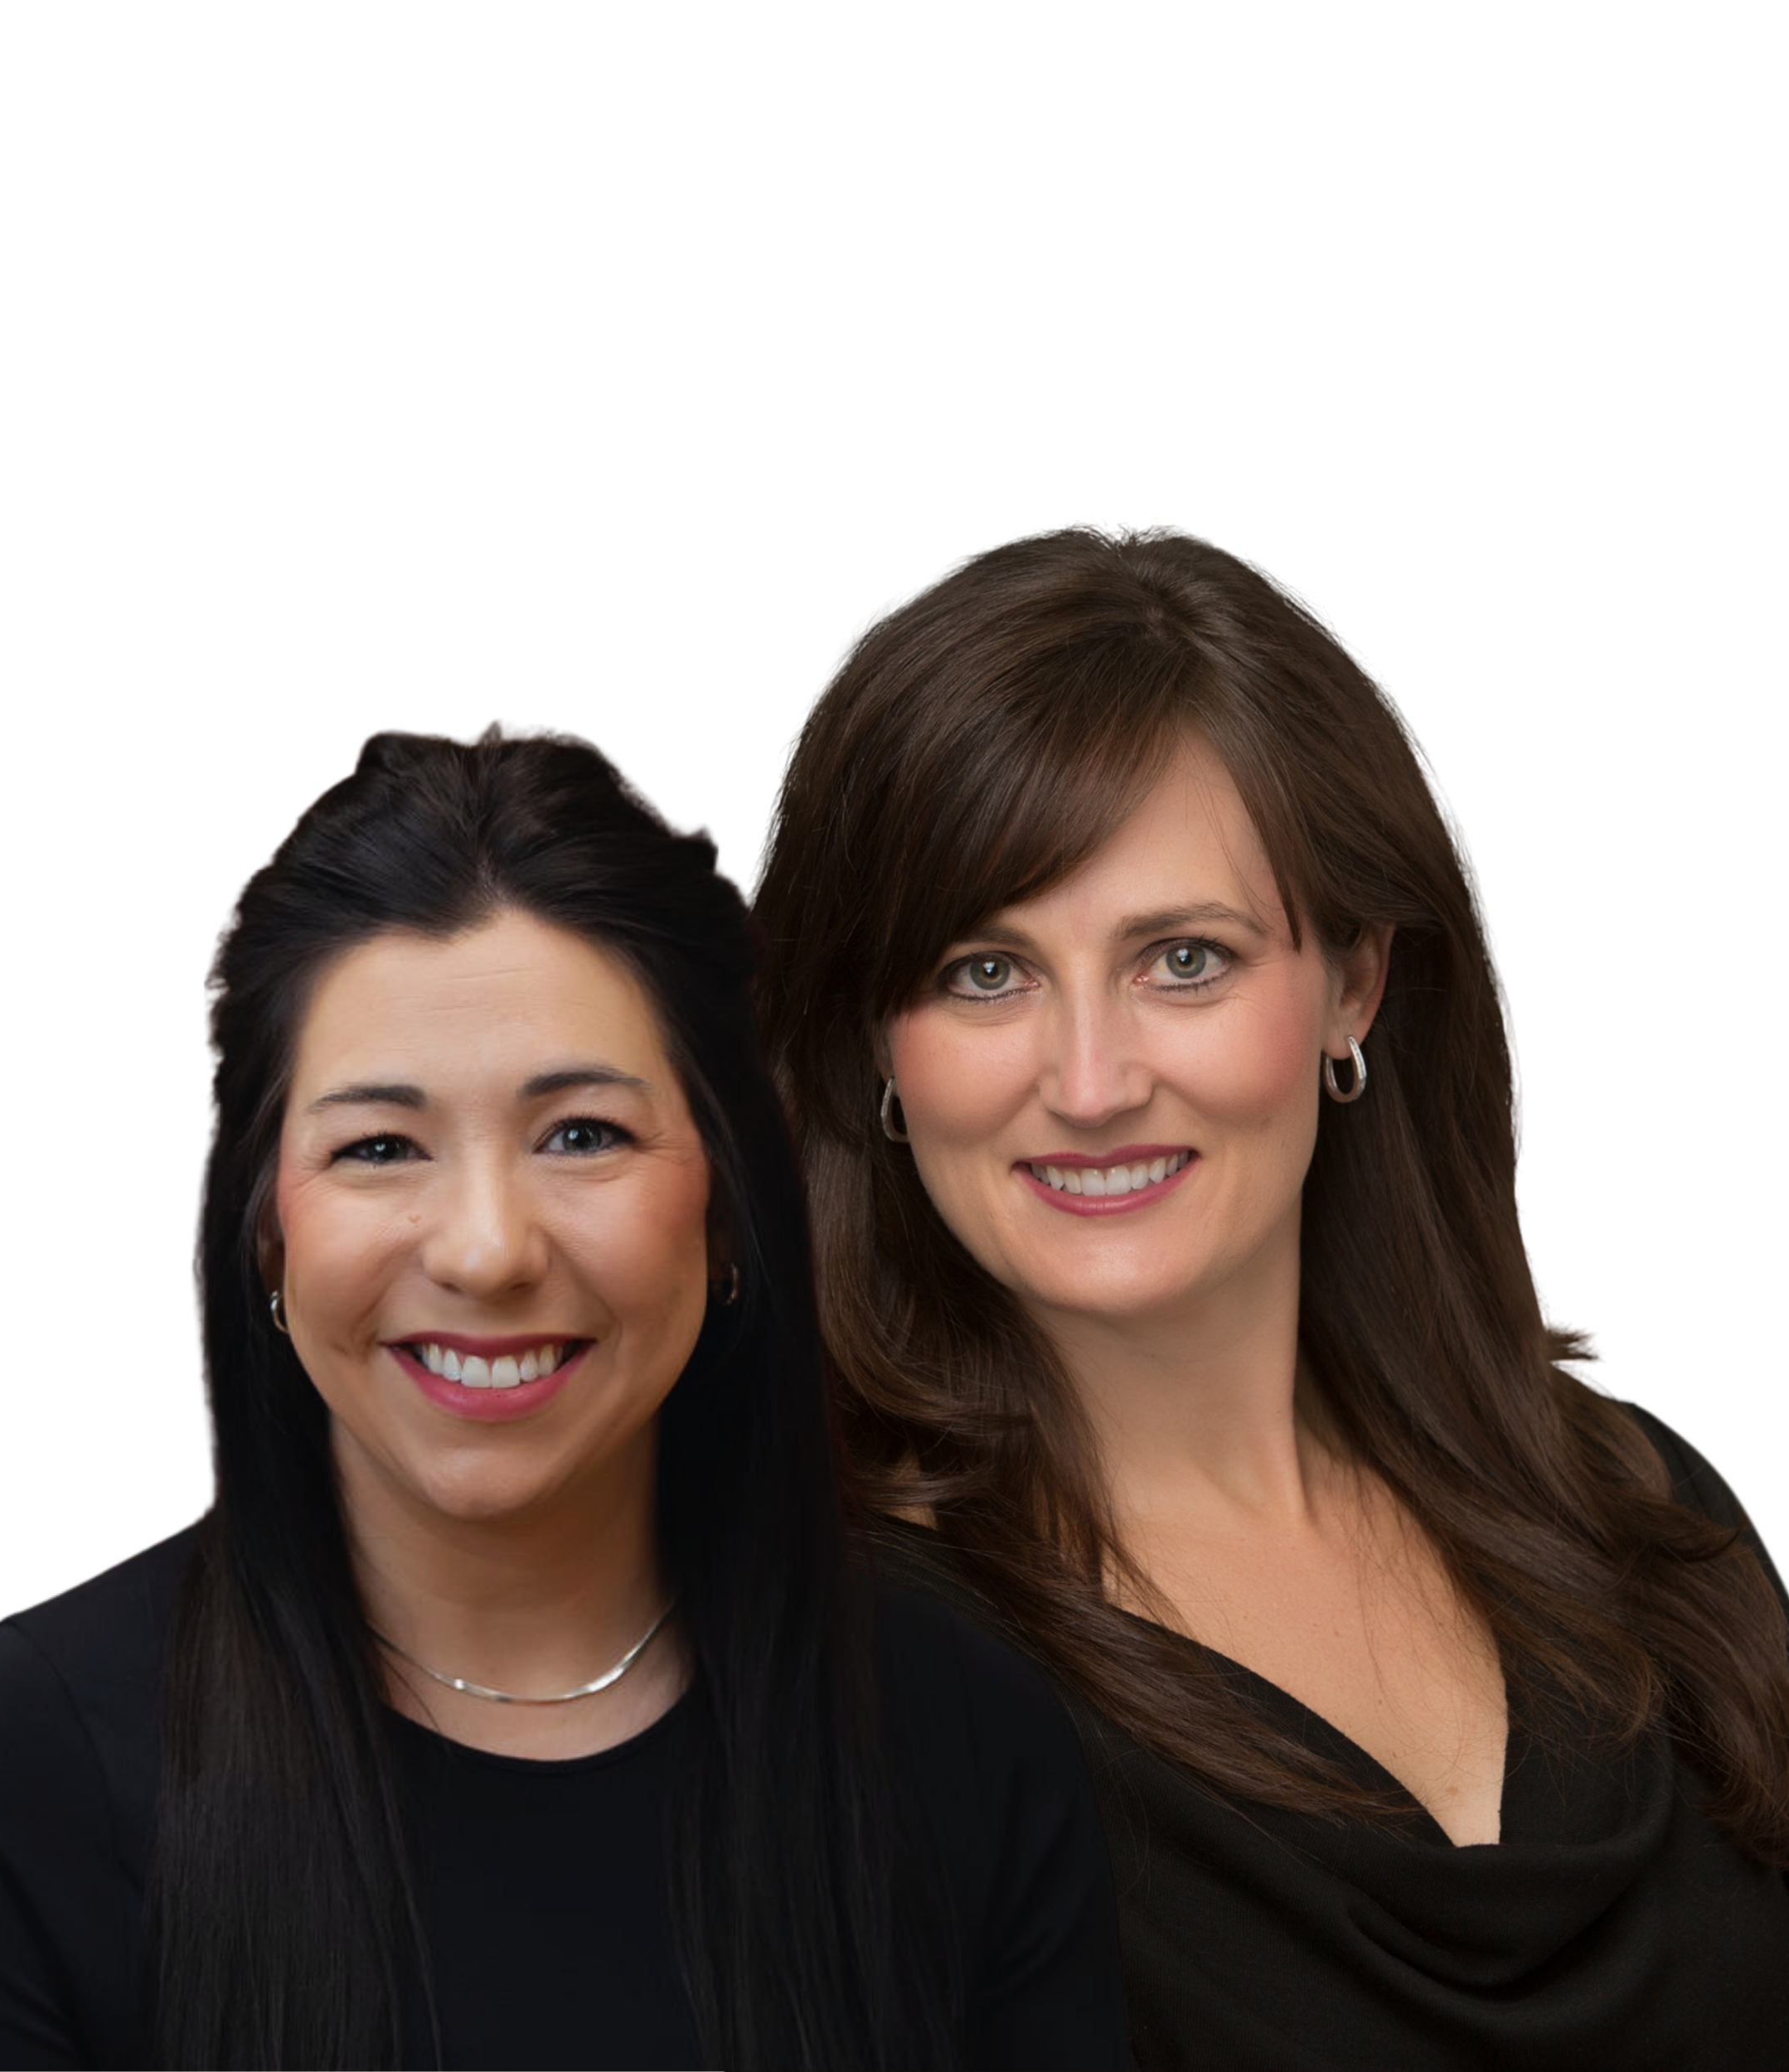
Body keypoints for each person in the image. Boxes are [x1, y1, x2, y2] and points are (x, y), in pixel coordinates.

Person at [0, 726, 1131, 2071]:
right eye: (379, 1147)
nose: (487, 1250)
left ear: (728, 1209)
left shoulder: (966, 1742)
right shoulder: (1, 1782)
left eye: (582, 1135)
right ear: (266, 1233)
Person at [746, 522, 1789, 2070]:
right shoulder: (824, 1688)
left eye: (1183, 958)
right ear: (873, 1047)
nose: (1089, 1081)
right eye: (985, 971)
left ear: (1354, 984)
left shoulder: (1633, 1500)